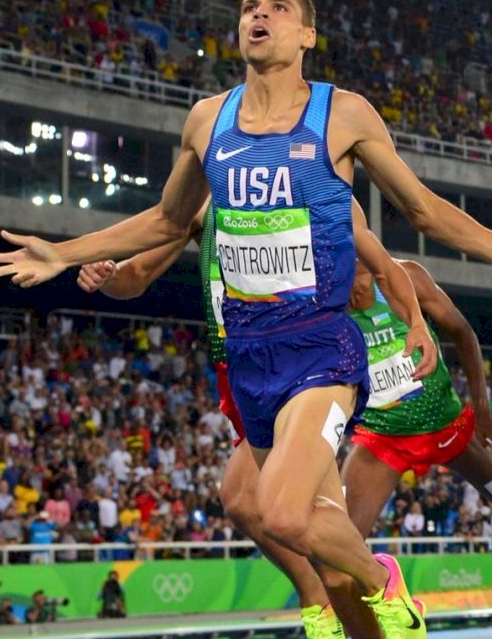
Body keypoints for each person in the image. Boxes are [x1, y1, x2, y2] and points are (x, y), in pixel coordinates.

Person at [0, 0, 492, 638]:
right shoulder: (208, 120)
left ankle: (386, 583)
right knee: (281, 514)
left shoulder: (342, 113)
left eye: (277, 8)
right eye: (248, 8)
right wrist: (61, 254)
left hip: (322, 347)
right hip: (247, 358)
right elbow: (164, 222)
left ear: (306, 34)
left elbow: (420, 209)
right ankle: (343, 610)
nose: (258, 16)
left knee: (285, 514)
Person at [77, 199, 431, 639]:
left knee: (284, 522)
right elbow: (138, 274)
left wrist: (409, 319)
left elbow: (373, 262)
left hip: (301, 364)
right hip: (242, 375)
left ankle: (362, 592)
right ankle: (322, 596)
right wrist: (109, 276)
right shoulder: (202, 205)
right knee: (257, 510)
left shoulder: (312, 178)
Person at [342, 258, 492, 544]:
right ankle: (385, 583)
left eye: (357, 285)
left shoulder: (408, 277)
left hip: (446, 427)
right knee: (343, 543)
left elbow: (462, 332)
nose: (352, 298)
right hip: (382, 436)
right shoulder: (324, 296)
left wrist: (481, 410)